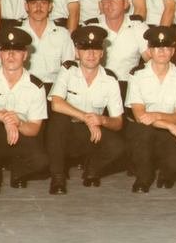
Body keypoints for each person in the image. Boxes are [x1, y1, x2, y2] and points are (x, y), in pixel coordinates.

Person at [47, 25, 125, 194]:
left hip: (92, 133)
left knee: (118, 146)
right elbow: (56, 103)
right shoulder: (68, 70)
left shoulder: (110, 80)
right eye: (85, 49)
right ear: (77, 52)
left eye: (95, 49)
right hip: (67, 132)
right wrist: (86, 118)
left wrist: (101, 120)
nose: (91, 54)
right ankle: (58, 177)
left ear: (102, 53)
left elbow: (118, 122)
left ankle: (92, 169)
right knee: (58, 120)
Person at [0, 27, 50, 194]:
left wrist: (18, 122)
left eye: (17, 50)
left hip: (21, 136)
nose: (11, 55)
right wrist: (5, 118)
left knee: (41, 162)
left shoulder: (36, 86)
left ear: (25, 55)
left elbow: (34, 128)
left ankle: (18, 171)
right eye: (6, 50)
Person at [124, 26, 176, 192]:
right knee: (143, 132)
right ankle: (143, 177)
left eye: (167, 47)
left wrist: (155, 115)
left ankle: (166, 173)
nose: (162, 51)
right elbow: (140, 116)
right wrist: (169, 124)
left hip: (169, 131)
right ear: (149, 50)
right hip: (144, 130)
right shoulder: (137, 75)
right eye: (157, 47)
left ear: (173, 51)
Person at [20, 0, 75, 88]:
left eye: (43, 3)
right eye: (34, 3)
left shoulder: (63, 34)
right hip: (24, 89)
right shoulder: (18, 33)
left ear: (50, 6)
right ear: (26, 6)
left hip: (54, 89)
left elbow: (70, 70)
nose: (39, 7)